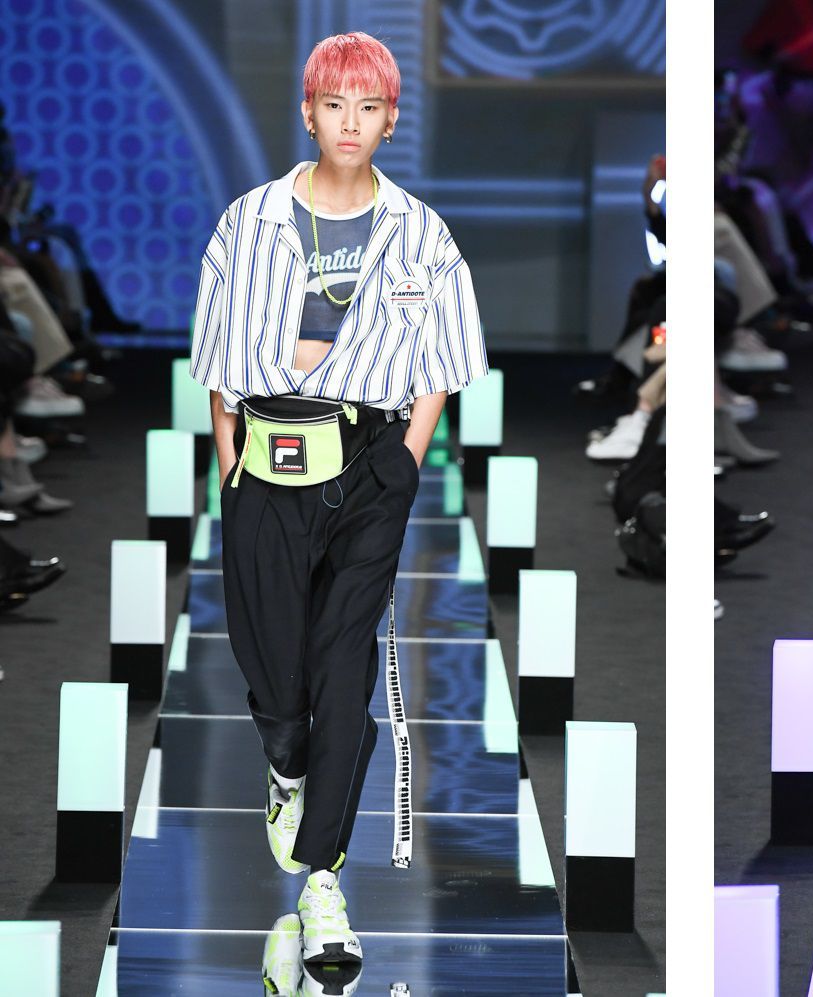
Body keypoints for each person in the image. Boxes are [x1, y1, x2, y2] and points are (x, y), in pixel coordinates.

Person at [188, 31, 487, 973]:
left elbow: (446, 361)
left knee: (342, 668)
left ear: (391, 120)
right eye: (334, 104)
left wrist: (404, 460)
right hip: (267, 461)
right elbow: (218, 356)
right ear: (308, 112)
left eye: (368, 107)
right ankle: (286, 766)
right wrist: (231, 459)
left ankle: (323, 878)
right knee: (276, 673)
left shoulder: (422, 234)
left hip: (369, 464)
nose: (349, 122)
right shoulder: (249, 222)